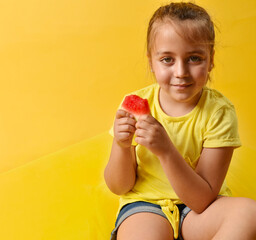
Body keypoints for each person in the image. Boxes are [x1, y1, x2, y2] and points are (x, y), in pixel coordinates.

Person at [104, 2, 256, 240]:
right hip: (145, 207)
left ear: (211, 59)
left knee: (250, 213)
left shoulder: (220, 113)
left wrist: (166, 151)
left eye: (194, 58)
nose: (181, 72)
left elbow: (202, 200)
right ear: (151, 61)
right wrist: (121, 146)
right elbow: (118, 186)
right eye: (167, 59)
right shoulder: (137, 102)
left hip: (199, 211)